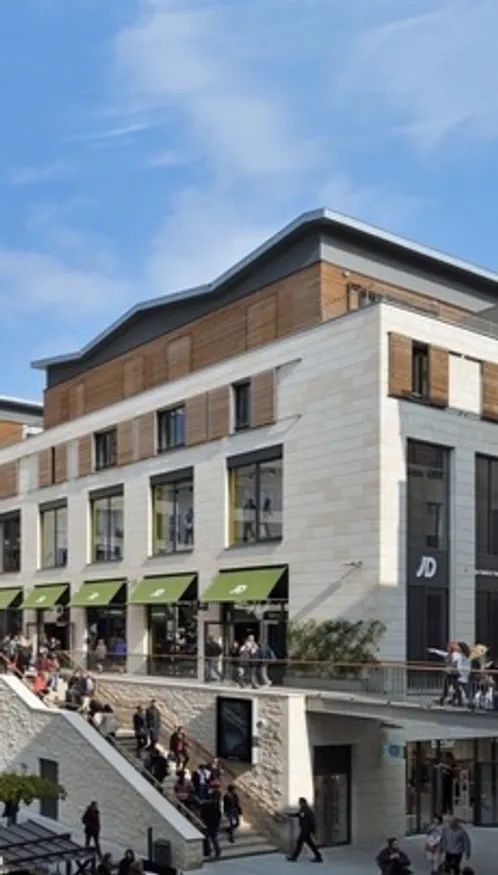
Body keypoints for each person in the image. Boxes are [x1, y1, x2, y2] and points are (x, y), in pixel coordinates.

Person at [287, 797, 322, 863]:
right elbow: (298, 814)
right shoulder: (303, 809)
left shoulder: (307, 810)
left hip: (306, 830)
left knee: (299, 843)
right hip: (305, 829)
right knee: (310, 844)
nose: (299, 804)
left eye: (300, 802)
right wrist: (290, 815)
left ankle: (294, 857)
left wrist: (313, 830)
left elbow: (312, 821)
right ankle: (318, 856)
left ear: (303, 803)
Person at [201, 787, 222, 860]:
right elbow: (219, 814)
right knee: (213, 837)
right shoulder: (215, 805)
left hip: (209, 822)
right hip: (214, 822)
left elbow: (203, 814)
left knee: (208, 837)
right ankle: (216, 851)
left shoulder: (207, 805)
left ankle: (209, 851)